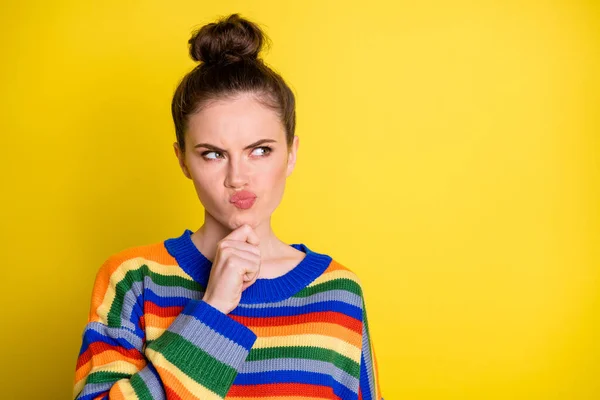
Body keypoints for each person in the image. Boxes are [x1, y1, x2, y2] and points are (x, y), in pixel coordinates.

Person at [72, 13, 383, 400]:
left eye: (260, 150)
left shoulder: (338, 292)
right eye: (213, 154)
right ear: (183, 160)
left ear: (291, 154)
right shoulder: (133, 280)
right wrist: (213, 309)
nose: (238, 177)